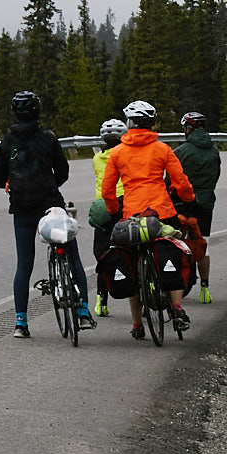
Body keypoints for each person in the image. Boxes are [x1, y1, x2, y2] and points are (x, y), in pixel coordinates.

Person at [0, 91, 91, 338]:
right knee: (72, 255)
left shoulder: (7, 141)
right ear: (38, 111)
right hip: (51, 205)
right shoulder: (48, 138)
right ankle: (82, 311)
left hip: (22, 208)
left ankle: (20, 323)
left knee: (24, 265)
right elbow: (63, 172)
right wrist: (50, 184)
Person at [98, 100, 196, 337]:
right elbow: (180, 181)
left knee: (131, 264)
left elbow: (107, 190)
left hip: (132, 214)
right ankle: (177, 307)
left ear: (129, 124)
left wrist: (114, 212)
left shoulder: (118, 152)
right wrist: (189, 198)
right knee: (172, 252)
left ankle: (137, 324)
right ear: (152, 124)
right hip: (162, 212)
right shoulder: (162, 149)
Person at [173, 111, 219, 304]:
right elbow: (216, 175)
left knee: (175, 241)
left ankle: (176, 283)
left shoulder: (182, 151)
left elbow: (172, 177)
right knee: (203, 243)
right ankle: (205, 289)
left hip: (184, 201)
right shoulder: (214, 150)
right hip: (206, 201)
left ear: (188, 129)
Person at [87, 118, 127, 315]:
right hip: (124, 203)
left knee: (103, 255)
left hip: (103, 207)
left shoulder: (97, 158)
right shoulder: (125, 154)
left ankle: (101, 302)